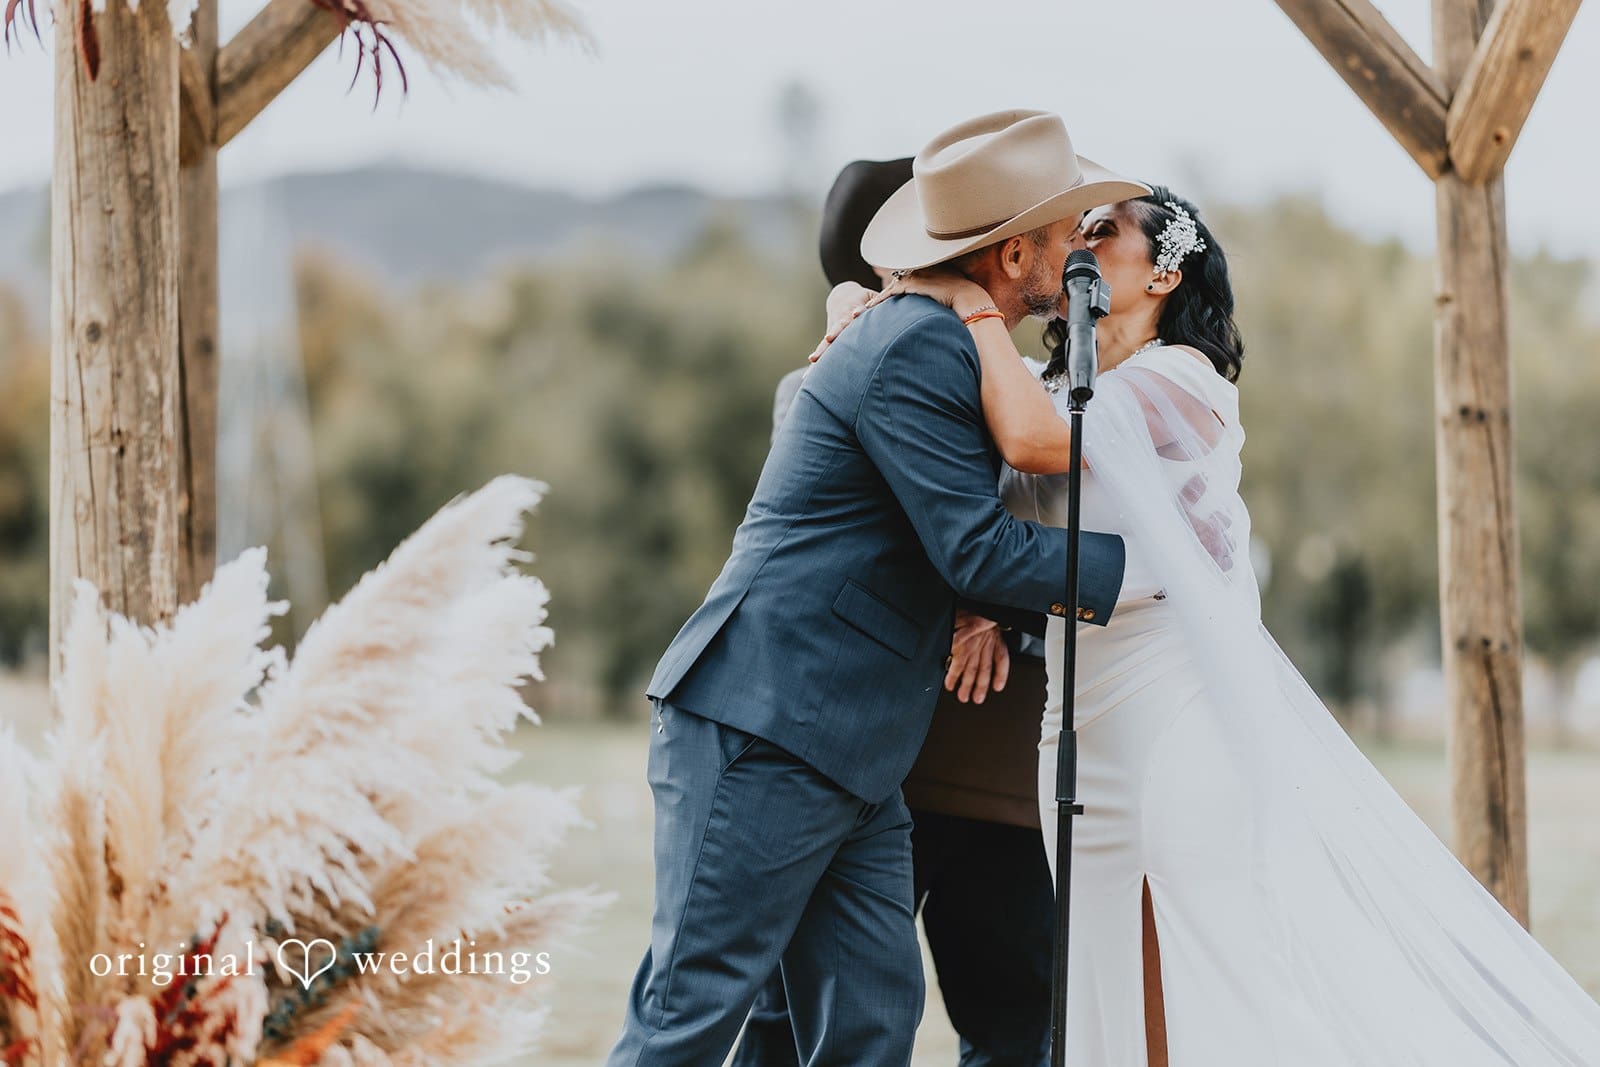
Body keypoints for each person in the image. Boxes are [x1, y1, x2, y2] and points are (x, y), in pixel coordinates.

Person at [820, 189, 1600, 1064]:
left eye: (1104, 231)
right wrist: (860, 309)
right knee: (1095, 961)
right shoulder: (1048, 385)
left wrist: (964, 303)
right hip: (1074, 713)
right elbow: (975, 492)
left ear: (1164, 271)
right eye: (1073, 233)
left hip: (1175, 692)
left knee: (1215, 944)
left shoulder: (1184, 383)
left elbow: (1038, 446)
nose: (1079, 245)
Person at [603, 110, 1145, 1067]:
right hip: (766, 728)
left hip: (858, 757)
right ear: (1016, 252)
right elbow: (974, 550)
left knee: (869, 1026)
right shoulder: (916, 346)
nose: (1083, 251)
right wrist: (1147, 580)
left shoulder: (954, 340)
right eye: (1068, 234)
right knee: (686, 1020)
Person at [734, 156, 1059, 1067]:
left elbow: (1036, 513)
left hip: (996, 752)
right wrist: (962, 599)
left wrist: (993, 610)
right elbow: (844, 551)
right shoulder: (815, 385)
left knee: (1013, 1012)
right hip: (872, 760)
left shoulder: (1020, 378)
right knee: (796, 1011)